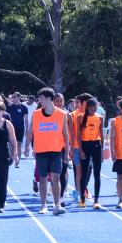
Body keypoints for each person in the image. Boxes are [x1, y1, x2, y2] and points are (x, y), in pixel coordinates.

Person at [25, 87, 69, 215]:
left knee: (55, 178)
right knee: (43, 179)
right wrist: (27, 146)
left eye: (42, 98)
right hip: (41, 151)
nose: (40, 101)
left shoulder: (62, 114)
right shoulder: (36, 114)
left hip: (56, 151)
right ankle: (43, 205)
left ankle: (57, 205)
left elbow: (65, 135)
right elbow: (31, 131)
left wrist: (66, 153)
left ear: (49, 99)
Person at [76, 94, 104, 209]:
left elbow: (101, 134)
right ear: (87, 107)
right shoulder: (80, 117)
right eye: (91, 108)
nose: (93, 110)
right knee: (84, 173)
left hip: (96, 145)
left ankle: (96, 200)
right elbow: (78, 135)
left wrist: (102, 151)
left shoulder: (100, 118)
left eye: (95, 108)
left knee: (97, 174)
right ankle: (82, 198)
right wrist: (81, 150)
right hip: (85, 145)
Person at [69, 94, 87, 203]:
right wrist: (70, 148)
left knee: (86, 171)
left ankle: (82, 191)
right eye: (85, 102)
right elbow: (71, 132)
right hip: (76, 146)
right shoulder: (73, 115)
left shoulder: (91, 114)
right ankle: (78, 192)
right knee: (79, 171)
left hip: (88, 147)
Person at [7, 92, 27, 167]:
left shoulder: (24, 107)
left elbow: (26, 120)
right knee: (11, 144)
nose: (13, 98)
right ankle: (12, 158)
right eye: (12, 97)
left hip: (20, 128)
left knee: (18, 145)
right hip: (11, 128)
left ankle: (17, 161)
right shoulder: (9, 107)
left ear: (19, 97)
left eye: (14, 96)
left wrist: (27, 129)